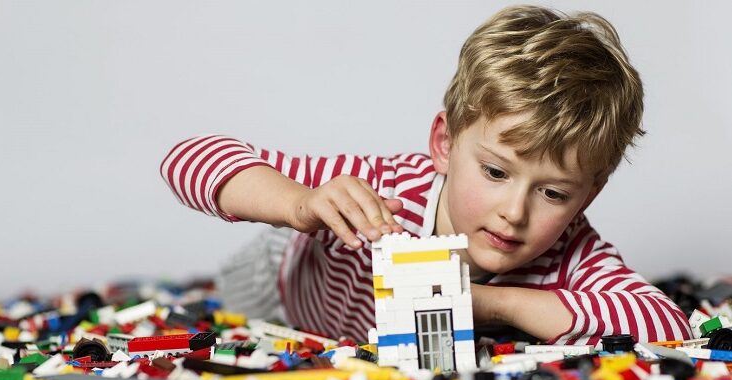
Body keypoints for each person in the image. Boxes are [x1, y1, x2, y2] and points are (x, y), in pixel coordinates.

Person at [160, 5, 692, 345]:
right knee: (224, 308)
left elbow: (664, 323)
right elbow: (187, 159)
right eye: (494, 171)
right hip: (283, 286)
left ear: (589, 195)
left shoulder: (572, 251)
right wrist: (298, 205)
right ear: (445, 144)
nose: (514, 212)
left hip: (370, 351)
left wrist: (491, 304)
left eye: (553, 192)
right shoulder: (383, 192)